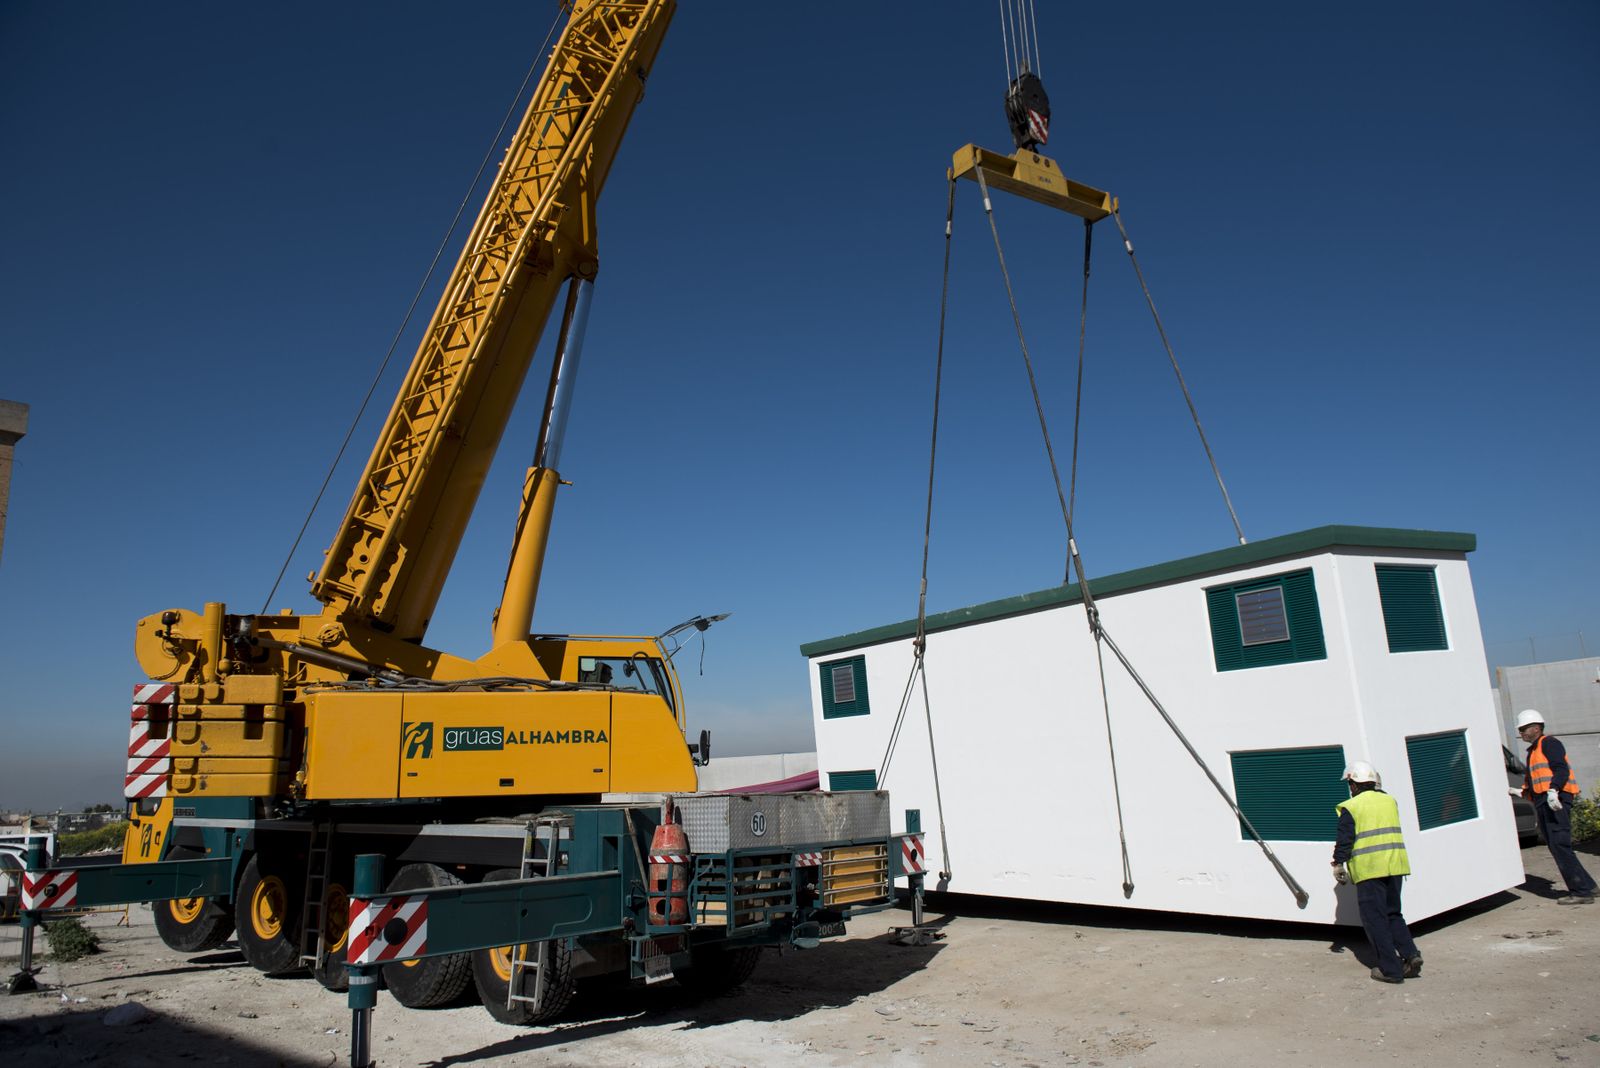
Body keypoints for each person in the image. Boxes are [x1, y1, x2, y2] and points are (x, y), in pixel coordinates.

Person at [1331, 760, 1422, 984]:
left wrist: (1338, 863)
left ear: (1353, 783)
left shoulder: (1352, 807)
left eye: (1349, 782)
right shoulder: (1389, 801)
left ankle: (1391, 970)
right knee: (1393, 913)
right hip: (1396, 866)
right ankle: (1410, 954)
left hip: (1370, 869)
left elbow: (1345, 839)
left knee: (1375, 919)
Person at [1516, 709, 1597, 905]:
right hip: (1545, 800)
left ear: (1536, 728)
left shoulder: (1549, 743)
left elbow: (1560, 768)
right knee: (1556, 845)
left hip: (1556, 800)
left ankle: (1581, 892)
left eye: (1524, 729)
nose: (1521, 733)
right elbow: (1537, 780)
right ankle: (1588, 886)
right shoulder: (1533, 751)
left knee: (1559, 844)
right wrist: (1521, 792)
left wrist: (1553, 790)